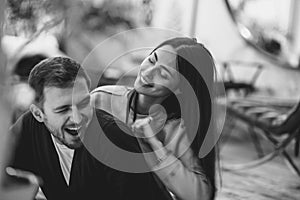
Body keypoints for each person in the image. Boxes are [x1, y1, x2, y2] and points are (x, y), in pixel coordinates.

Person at [9, 56, 171, 200]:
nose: (77, 118)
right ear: (38, 114)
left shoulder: (115, 139)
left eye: (83, 103)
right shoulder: (29, 127)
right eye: (63, 109)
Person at [92, 37, 217, 200]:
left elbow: (201, 195)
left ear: (180, 89)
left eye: (163, 74)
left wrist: (153, 144)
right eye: (152, 60)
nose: (149, 73)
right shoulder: (102, 99)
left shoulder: (176, 130)